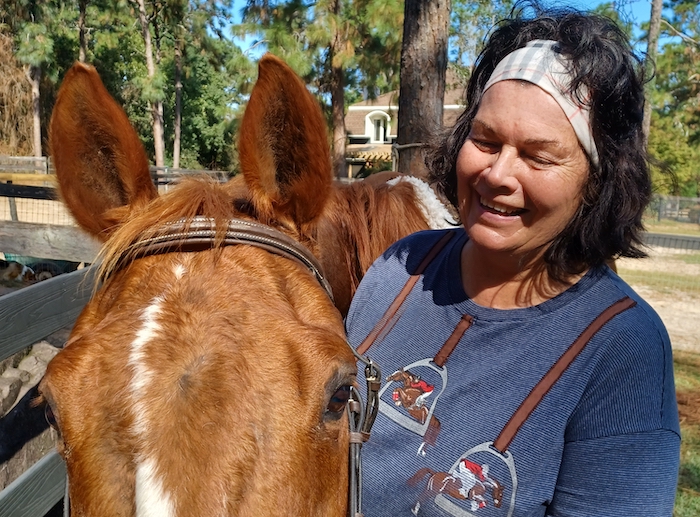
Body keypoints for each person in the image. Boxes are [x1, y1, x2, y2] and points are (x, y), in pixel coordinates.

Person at [345, 4, 680, 517]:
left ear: (596, 181)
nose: (498, 173)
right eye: (485, 140)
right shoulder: (400, 267)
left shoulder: (622, 348)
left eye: (538, 155)